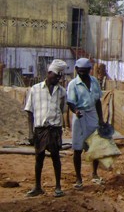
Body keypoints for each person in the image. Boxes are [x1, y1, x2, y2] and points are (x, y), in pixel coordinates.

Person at [23, 59, 67, 197]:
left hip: (54, 129)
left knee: (55, 157)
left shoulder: (62, 92)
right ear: (49, 73)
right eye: (55, 76)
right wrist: (30, 132)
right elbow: (29, 111)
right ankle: (37, 187)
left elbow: (62, 109)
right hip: (40, 129)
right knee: (39, 158)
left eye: (60, 77)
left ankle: (58, 187)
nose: (57, 79)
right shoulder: (35, 89)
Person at [66, 57, 105, 189]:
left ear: (89, 70)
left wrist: (101, 118)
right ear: (76, 70)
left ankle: (94, 173)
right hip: (80, 116)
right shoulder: (73, 84)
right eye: (80, 71)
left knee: (95, 146)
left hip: (92, 114)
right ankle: (78, 178)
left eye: (85, 71)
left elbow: (98, 101)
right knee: (77, 147)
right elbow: (70, 102)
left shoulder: (94, 82)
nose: (82, 74)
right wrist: (75, 111)